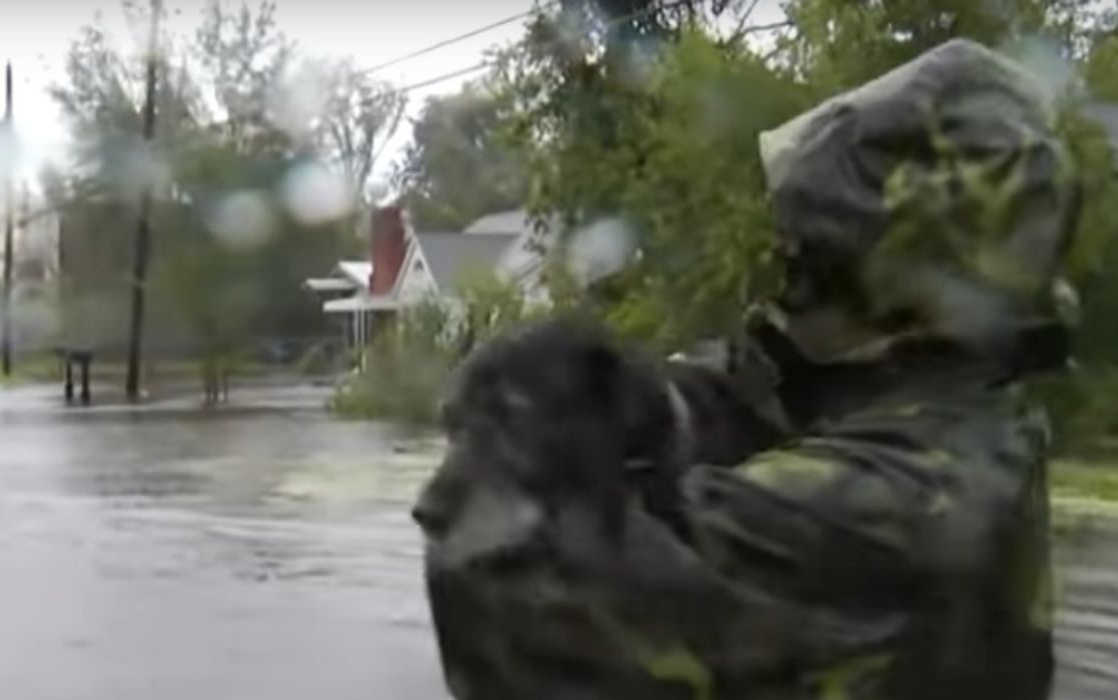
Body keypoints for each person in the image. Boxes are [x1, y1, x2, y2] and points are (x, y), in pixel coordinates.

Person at [414, 38, 1074, 700]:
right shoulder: (957, 404)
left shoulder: (907, 500)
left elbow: (512, 584)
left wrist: (514, 444)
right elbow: (762, 387)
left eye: (817, 257)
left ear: (894, 278)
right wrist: (630, 396)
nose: (791, 277)